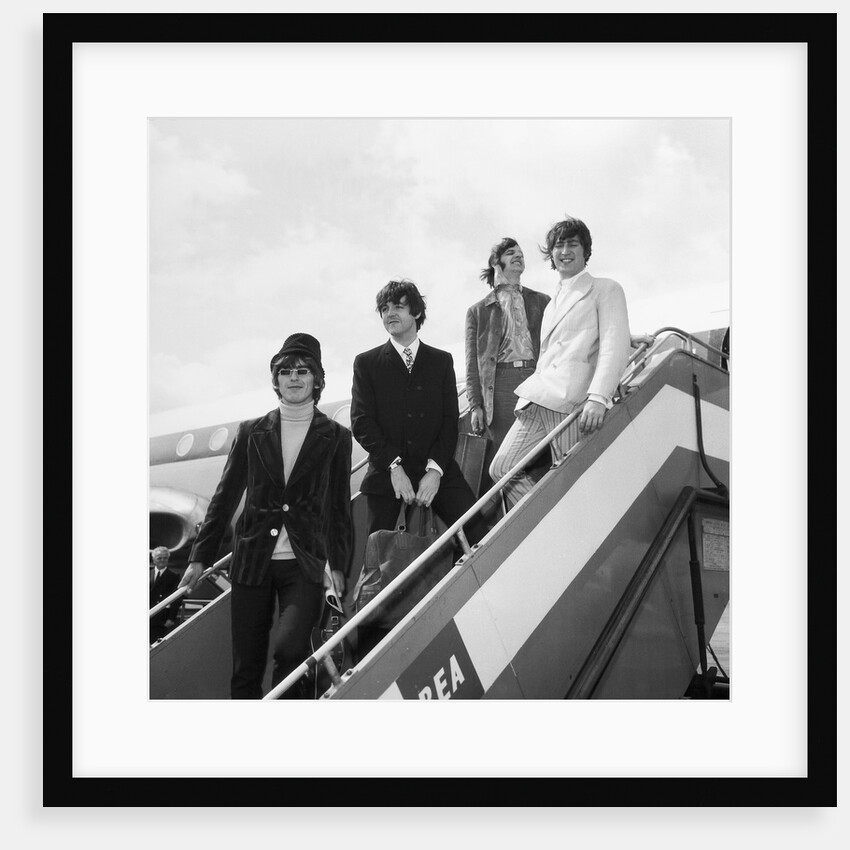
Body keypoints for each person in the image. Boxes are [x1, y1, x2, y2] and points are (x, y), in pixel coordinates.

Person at [179, 333, 353, 699]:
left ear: (317, 379)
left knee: (291, 652)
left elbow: (338, 506)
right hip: (252, 562)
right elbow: (224, 499)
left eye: (303, 370)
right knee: (246, 667)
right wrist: (199, 557)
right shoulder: (251, 432)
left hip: (303, 565)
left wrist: (338, 564)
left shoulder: (336, 436)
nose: (294, 377)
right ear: (275, 379)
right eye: (286, 370)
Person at [351, 278, 482, 654]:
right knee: (380, 564)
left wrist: (435, 470)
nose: (390, 313)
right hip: (386, 475)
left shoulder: (441, 360)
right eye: (384, 309)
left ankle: (461, 611)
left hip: (436, 468)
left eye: (398, 306)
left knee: (479, 527)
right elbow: (362, 421)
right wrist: (393, 466)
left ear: (416, 313)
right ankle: (370, 654)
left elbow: (446, 421)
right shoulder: (367, 363)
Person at [489, 216, 632, 510]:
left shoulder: (606, 288)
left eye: (572, 244)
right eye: (558, 245)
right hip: (537, 397)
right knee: (501, 469)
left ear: (585, 251)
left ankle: (568, 524)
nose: (565, 251)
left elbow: (614, 343)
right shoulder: (553, 300)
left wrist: (598, 396)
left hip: (572, 400)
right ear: (551, 254)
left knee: (574, 480)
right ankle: (549, 518)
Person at [465, 237, 551, 495]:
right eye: (511, 252)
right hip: (499, 387)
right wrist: (475, 405)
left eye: (521, 253)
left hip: (536, 380)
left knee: (540, 456)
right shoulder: (478, 311)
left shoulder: (542, 300)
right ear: (496, 262)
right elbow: (472, 364)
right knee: (506, 463)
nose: (519, 256)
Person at [149, 546, 181, 643]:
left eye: (165, 558)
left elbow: (176, 599)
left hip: (161, 618)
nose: (162, 560)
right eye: (159, 558)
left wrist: (171, 618)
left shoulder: (174, 576)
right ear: (154, 560)